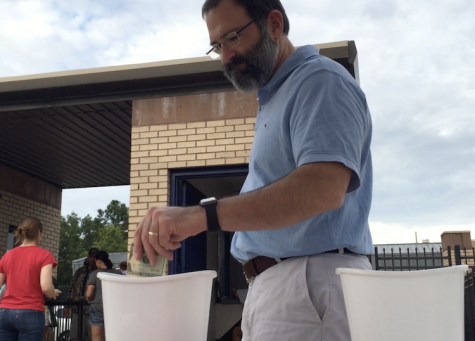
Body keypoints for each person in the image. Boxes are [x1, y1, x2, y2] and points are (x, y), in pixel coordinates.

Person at [134, 0, 374, 340]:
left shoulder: (318, 81)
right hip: (287, 288)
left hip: (309, 284)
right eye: (217, 46)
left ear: (274, 24)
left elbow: (323, 187)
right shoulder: (277, 95)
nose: (226, 55)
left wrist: (201, 217)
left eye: (232, 37)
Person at [0, 218, 61, 341]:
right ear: (39, 233)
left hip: (5, 312)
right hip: (31, 312)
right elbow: (45, 286)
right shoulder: (44, 255)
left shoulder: (7, 256)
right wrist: (53, 292)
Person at [85, 251, 121, 341]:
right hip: (114, 309)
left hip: (97, 308)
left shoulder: (95, 274)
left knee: (97, 337)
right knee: (112, 336)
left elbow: (89, 293)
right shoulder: (118, 273)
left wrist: (88, 298)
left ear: (98, 261)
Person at [67, 248, 98, 341]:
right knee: (74, 336)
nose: (91, 259)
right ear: (88, 257)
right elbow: (72, 288)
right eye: (90, 256)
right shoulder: (80, 271)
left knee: (92, 337)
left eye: (94, 257)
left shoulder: (98, 272)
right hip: (77, 308)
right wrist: (67, 306)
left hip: (92, 310)